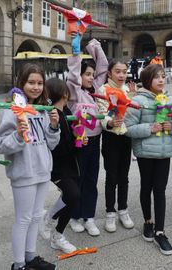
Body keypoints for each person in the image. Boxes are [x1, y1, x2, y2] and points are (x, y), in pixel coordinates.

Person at [0, 63, 60, 270]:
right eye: (31, 82)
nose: (36, 87)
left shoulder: (40, 110)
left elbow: (50, 143)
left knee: (36, 216)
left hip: (41, 171)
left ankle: (31, 257)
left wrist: (54, 126)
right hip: (24, 172)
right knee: (23, 219)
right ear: (21, 83)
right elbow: (1, 144)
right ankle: (19, 264)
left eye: (40, 83)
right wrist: (19, 135)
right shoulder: (12, 111)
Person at [124, 64, 172, 255]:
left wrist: (170, 126)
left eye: (163, 76)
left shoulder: (170, 99)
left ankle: (160, 231)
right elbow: (128, 128)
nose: (161, 80)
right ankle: (148, 221)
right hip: (145, 152)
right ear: (148, 79)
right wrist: (150, 128)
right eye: (157, 77)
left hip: (164, 152)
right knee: (146, 187)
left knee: (160, 190)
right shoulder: (138, 100)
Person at [66, 37, 108, 236]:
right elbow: (72, 76)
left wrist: (95, 46)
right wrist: (75, 51)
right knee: (79, 179)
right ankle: (74, 216)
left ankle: (89, 217)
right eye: (87, 74)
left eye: (92, 74)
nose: (91, 77)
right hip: (80, 142)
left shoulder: (95, 91)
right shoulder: (74, 93)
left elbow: (103, 67)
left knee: (92, 179)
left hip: (95, 141)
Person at [39, 78, 80, 254]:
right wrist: (74, 141)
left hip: (72, 164)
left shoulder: (66, 111)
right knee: (72, 194)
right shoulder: (53, 114)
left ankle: (58, 236)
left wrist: (80, 138)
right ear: (64, 93)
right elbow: (57, 145)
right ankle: (49, 218)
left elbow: (72, 136)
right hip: (57, 166)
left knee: (73, 198)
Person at [96, 60, 135, 233]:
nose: (121, 75)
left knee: (124, 176)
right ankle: (110, 212)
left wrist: (133, 98)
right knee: (111, 176)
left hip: (125, 137)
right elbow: (102, 114)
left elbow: (133, 113)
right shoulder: (103, 90)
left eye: (124, 72)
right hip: (111, 137)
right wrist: (109, 122)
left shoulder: (128, 90)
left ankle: (123, 210)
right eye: (117, 72)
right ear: (109, 73)